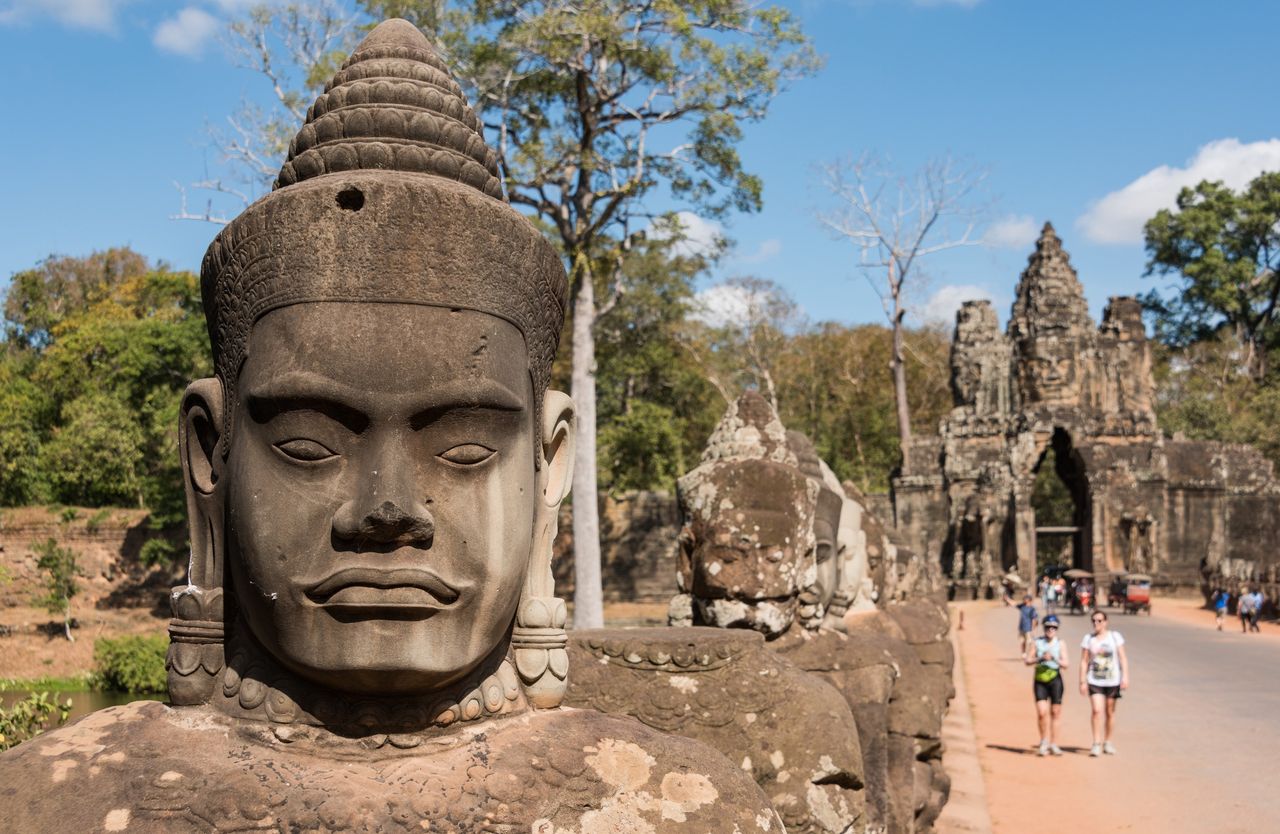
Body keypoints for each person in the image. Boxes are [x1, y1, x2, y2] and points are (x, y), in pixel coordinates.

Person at [1080, 610, 1129, 756]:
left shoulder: (1115, 637)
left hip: (1112, 680)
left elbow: (1122, 658)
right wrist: (1082, 681)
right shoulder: (1088, 639)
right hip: (1095, 680)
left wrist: (1125, 677)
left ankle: (1107, 741)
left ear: (1106, 622)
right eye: (1094, 620)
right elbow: (1084, 661)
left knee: (1110, 712)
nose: (1096, 623)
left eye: (1099, 620)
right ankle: (1096, 742)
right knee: (1096, 711)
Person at [1026, 614, 1068, 756]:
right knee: (1042, 712)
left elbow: (1066, 663)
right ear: (1044, 628)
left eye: (1053, 628)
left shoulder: (1060, 643)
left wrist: (1055, 658)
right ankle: (1043, 741)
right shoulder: (1037, 642)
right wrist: (1040, 658)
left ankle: (1054, 743)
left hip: (1055, 679)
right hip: (1040, 680)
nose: (1050, 630)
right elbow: (1027, 660)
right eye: (1048, 627)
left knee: (1055, 712)